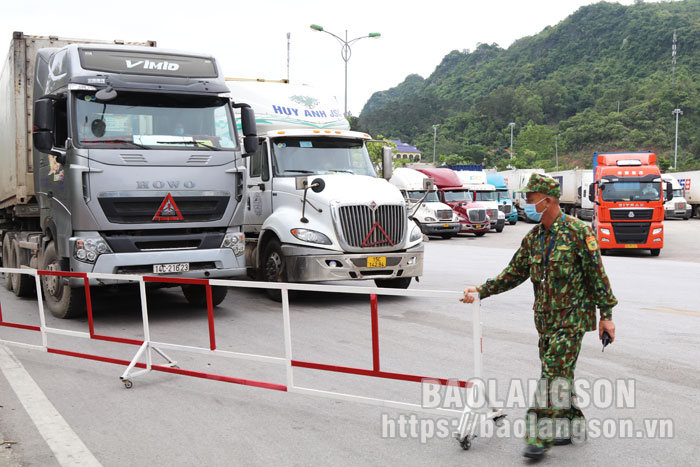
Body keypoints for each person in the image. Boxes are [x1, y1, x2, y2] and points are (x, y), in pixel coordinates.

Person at [460, 173, 617, 460]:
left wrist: (606, 315)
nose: (527, 203)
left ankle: (539, 436)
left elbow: (598, 277)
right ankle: (572, 424)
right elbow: (514, 273)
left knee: (552, 375)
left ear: (549, 200)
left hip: (572, 320)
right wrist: (482, 290)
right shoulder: (533, 238)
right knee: (559, 374)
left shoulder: (578, 233)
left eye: (531, 198)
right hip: (545, 321)